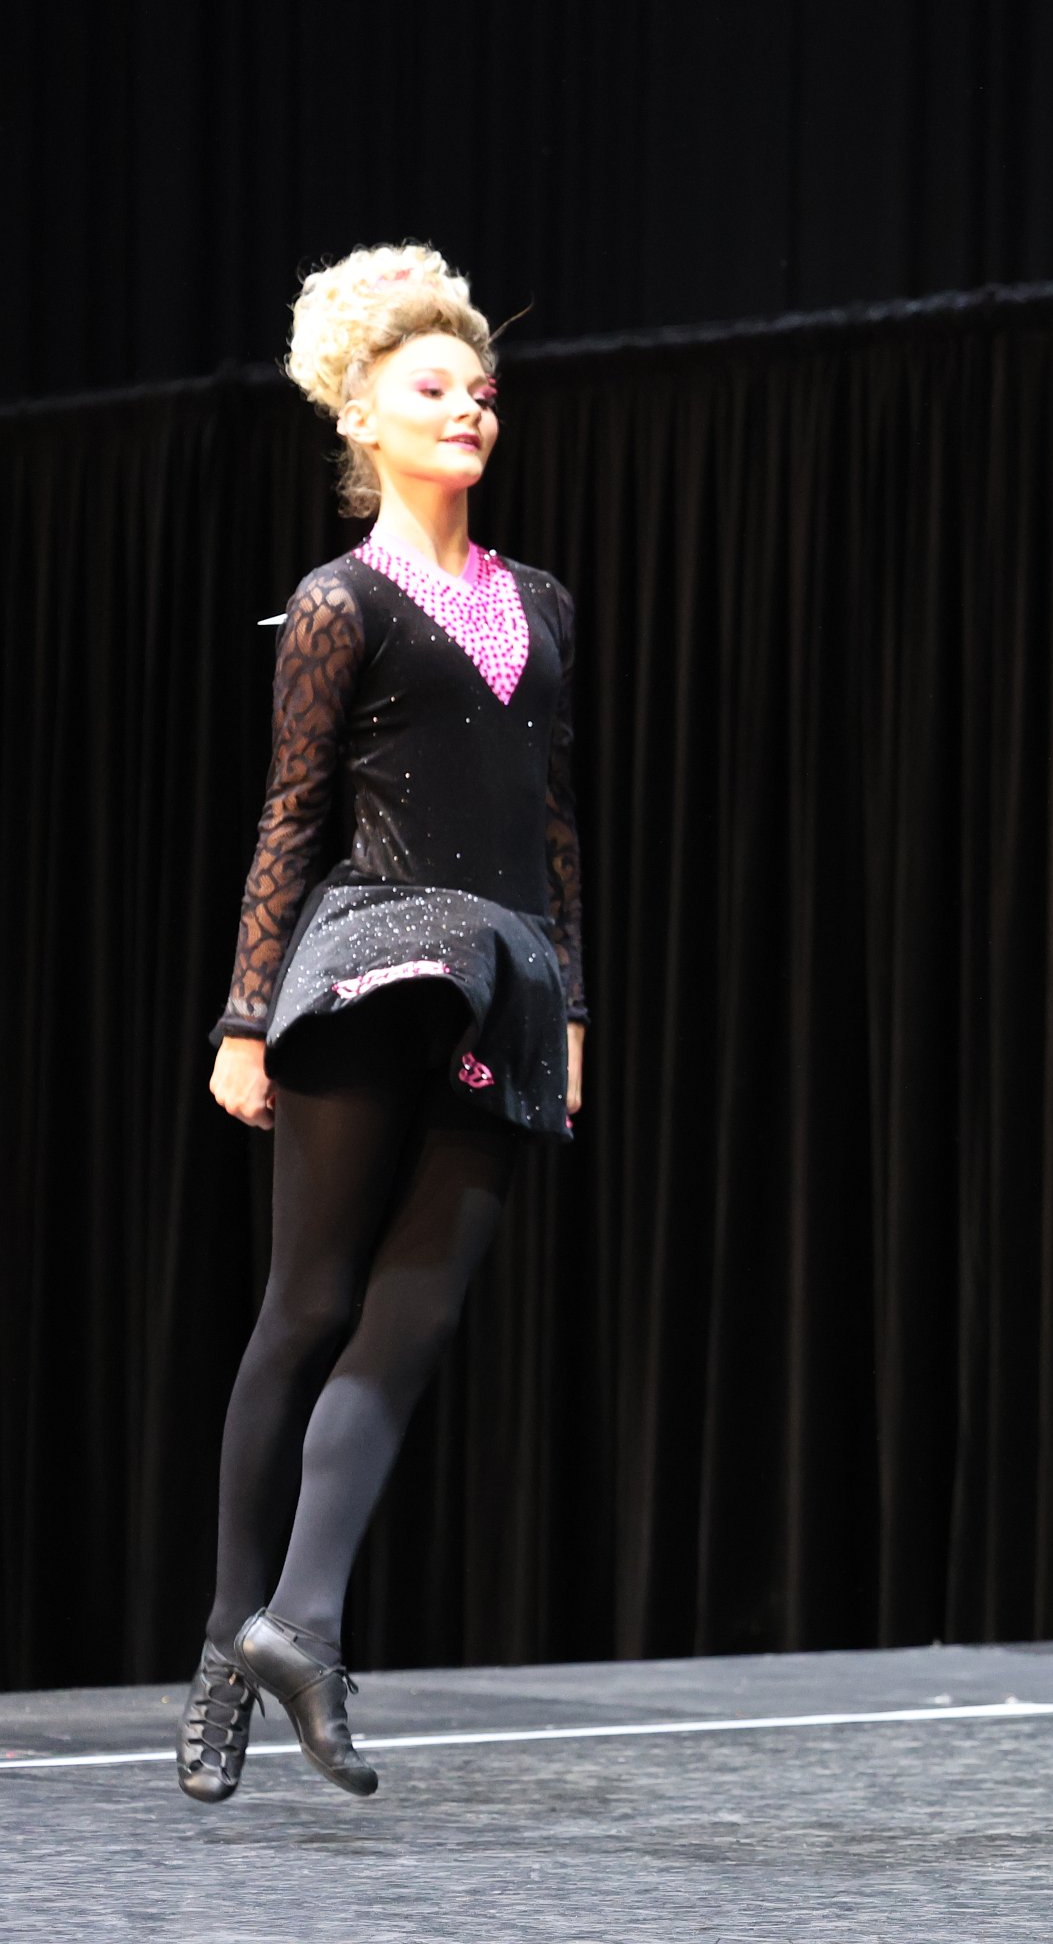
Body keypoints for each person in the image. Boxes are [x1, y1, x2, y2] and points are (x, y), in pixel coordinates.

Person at [176, 245, 588, 1804]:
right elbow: (292, 817)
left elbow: (553, 821)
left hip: (506, 977)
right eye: (435, 387)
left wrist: (573, 1004)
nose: (470, 407)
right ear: (363, 415)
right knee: (307, 1307)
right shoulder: (336, 605)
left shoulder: (539, 604)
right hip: (369, 964)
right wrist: (243, 1017)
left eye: (482, 389)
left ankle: (305, 1620)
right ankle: (227, 1649)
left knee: (417, 1313)